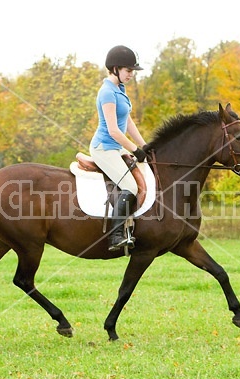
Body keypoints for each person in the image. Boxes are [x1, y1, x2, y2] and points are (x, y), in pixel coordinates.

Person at [90, 45, 148, 251]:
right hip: (104, 148)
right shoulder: (106, 92)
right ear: (115, 68)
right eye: (128, 70)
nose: (131, 74)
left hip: (117, 148)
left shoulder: (120, 90)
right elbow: (114, 131)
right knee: (130, 187)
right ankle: (115, 236)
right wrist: (135, 149)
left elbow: (128, 122)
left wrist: (144, 146)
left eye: (132, 71)